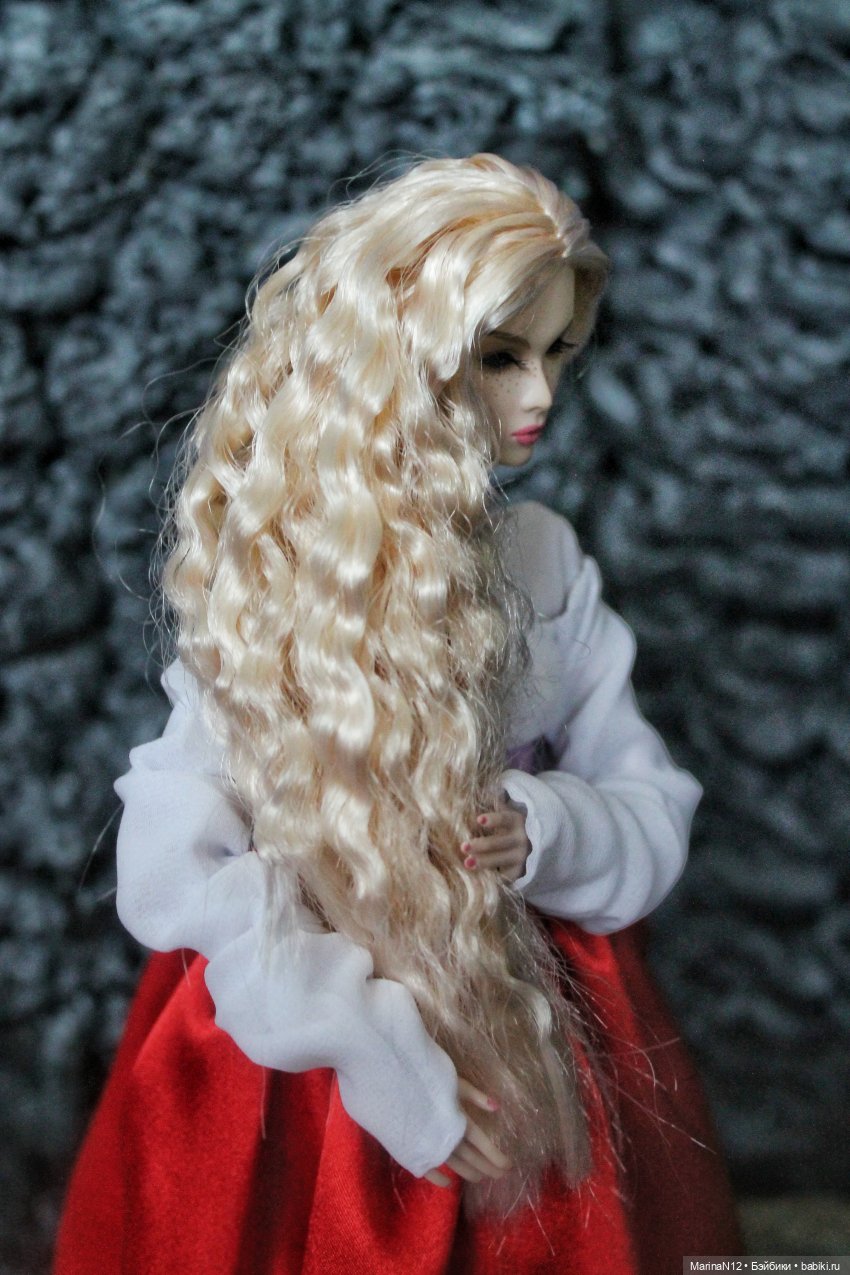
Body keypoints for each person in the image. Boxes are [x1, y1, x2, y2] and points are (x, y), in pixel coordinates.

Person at [54, 154, 742, 1273]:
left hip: (531, 1010)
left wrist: (552, 826)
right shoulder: (272, 587)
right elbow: (175, 863)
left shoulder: (542, 558)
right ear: (398, 359)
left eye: (558, 355)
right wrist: (368, 1043)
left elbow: (648, 792)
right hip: (301, 1037)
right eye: (501, 357)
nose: (541, 398)